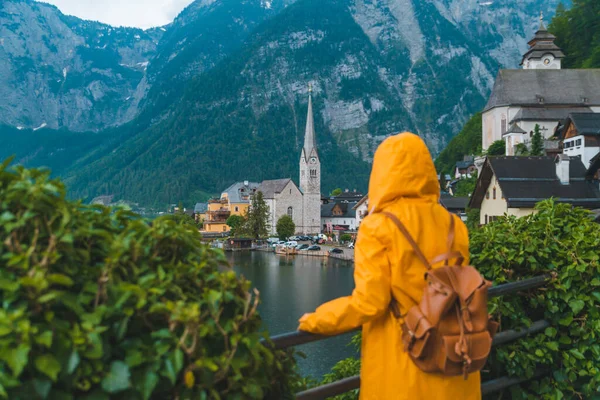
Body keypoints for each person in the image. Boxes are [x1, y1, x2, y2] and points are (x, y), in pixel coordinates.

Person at [298, 132, 480, 399]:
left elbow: (370, 303)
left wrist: (316, 320)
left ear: (383, 173)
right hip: (455, 360)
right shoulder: (454, 224)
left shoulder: (377, 227)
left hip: (406, 364)